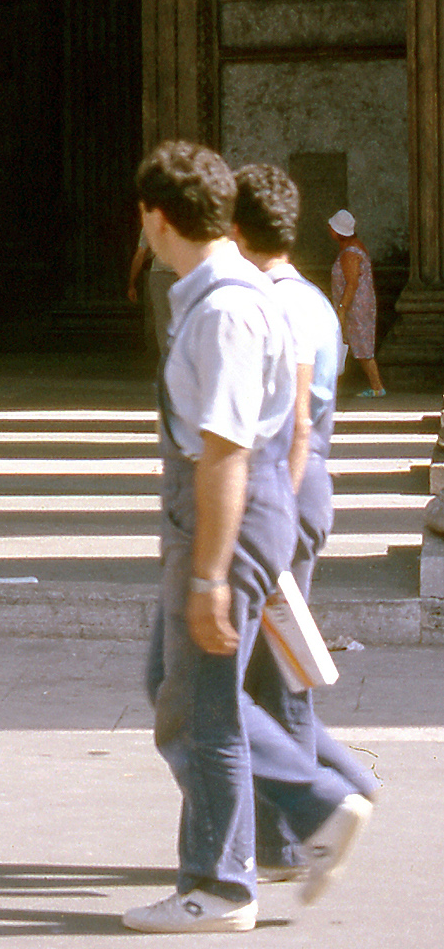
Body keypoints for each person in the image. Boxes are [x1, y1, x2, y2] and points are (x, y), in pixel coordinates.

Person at [125, 141, 370, 934]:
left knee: (199, 703)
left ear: (155, 219)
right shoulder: (221, 291)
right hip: (233, 506)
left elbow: (227, 448)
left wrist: (209, 576)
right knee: (181, 685)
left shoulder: (226, 306)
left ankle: (232, 873)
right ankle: (288, 824)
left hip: (226, 508)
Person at [230, 164, 381, 884]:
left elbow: (286, 430)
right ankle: (342, 789)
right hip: (308, 485)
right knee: (274, 669)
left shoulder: (271, 305)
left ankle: (296, 834)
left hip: (285, 492)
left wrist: (267, 528)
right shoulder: (312, 300)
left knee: (270, 680)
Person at [328, 209, 386, 398]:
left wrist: (342, 310)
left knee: (361, 347)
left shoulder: (349, 254)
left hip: (355, 306)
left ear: (337, 231)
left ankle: (377, 387)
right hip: (360, 304)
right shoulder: (354, 247)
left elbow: (352, 283)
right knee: (358, 345)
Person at [128, 227, 178, 355]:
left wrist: (131, 284)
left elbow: (141, 254)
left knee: (162, 319)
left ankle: (167, 358)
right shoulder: (184, 220)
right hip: (176, 274)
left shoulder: (153, 223)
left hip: (163, 275)